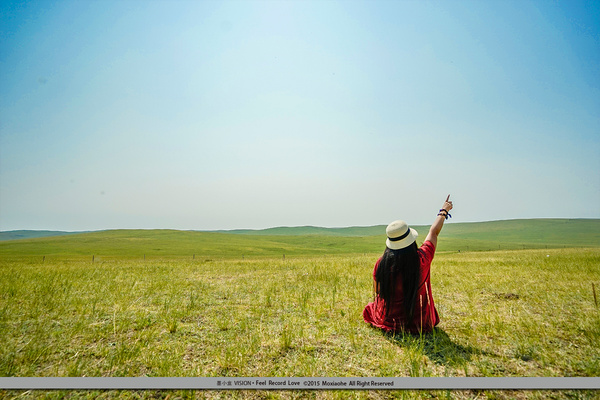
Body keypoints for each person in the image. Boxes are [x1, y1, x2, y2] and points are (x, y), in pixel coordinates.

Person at [362, 195, 453, 334]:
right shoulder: (423, 258)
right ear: (411, 240)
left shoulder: (381, 263)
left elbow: (378, 292)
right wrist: (443, 211)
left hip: (388, 321)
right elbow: (433, 232)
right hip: (420, 324)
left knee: (370, 308)